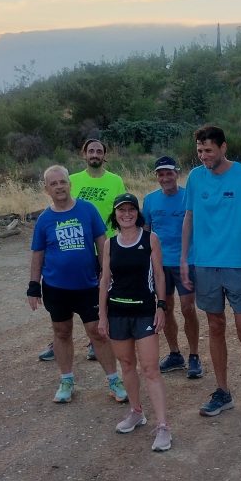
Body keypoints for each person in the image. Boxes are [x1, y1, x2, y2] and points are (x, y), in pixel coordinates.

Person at [181, 124, 241, 429]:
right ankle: (223, 392)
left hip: (238, 266)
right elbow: (189, 218)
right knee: (215, 326)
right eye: (199, 151)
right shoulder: (195, 177)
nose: (203, 156)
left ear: (223, 147)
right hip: (205, 265)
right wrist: (184, 259)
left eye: (208, 150)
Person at [27, 165, 128, 403]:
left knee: (98, 332)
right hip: (56, 287)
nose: (59, 187)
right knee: (62, 332)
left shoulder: (87, 209)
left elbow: (102, 242)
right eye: (53, 184)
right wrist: (33, 285)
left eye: (62, 182)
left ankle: (114, 380)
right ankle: (67, 381)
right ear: (46, 189)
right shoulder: (44, 219)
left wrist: (107, 273)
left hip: (88, 285)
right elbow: (38, 253)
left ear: (69, 184)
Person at [97, 193, 172, 452]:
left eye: (131, 210)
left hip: (144, 312)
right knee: (127, 365)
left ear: (137, 213)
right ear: (115, 214)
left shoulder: (150, 239)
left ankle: (163, 426)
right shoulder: (110, 243)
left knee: (150, 369)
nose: (126, 214)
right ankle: (136, 412)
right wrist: (102, 316)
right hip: (118, 313)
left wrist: (161, 307)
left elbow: (159, 275)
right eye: (122, 210)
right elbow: (105, 280)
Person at [39, 138, 125, 362]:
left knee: (102, 296)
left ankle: (97, 340)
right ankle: (58, 341)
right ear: (84, 154)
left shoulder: (115, 180)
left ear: (104, 155)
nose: (95, 154)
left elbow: (122, 211)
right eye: (91, 151)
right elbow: (59, 205)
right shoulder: (72, 179)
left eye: (99, 151)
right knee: (64, 300)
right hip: (76, 245)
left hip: (106, 246)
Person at [142, 155, 203, 379]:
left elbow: (201, 226)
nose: (165, 178)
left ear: (177, 173)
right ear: (156, 177)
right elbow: (146, 232)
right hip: (160, 264)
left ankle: (194, 355)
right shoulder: (150, 200)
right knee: (165, 307)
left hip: (187, 261)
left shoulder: (189, 196)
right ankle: (175, 353)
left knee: (188, 308)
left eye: (169, 173)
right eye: (161, 174)